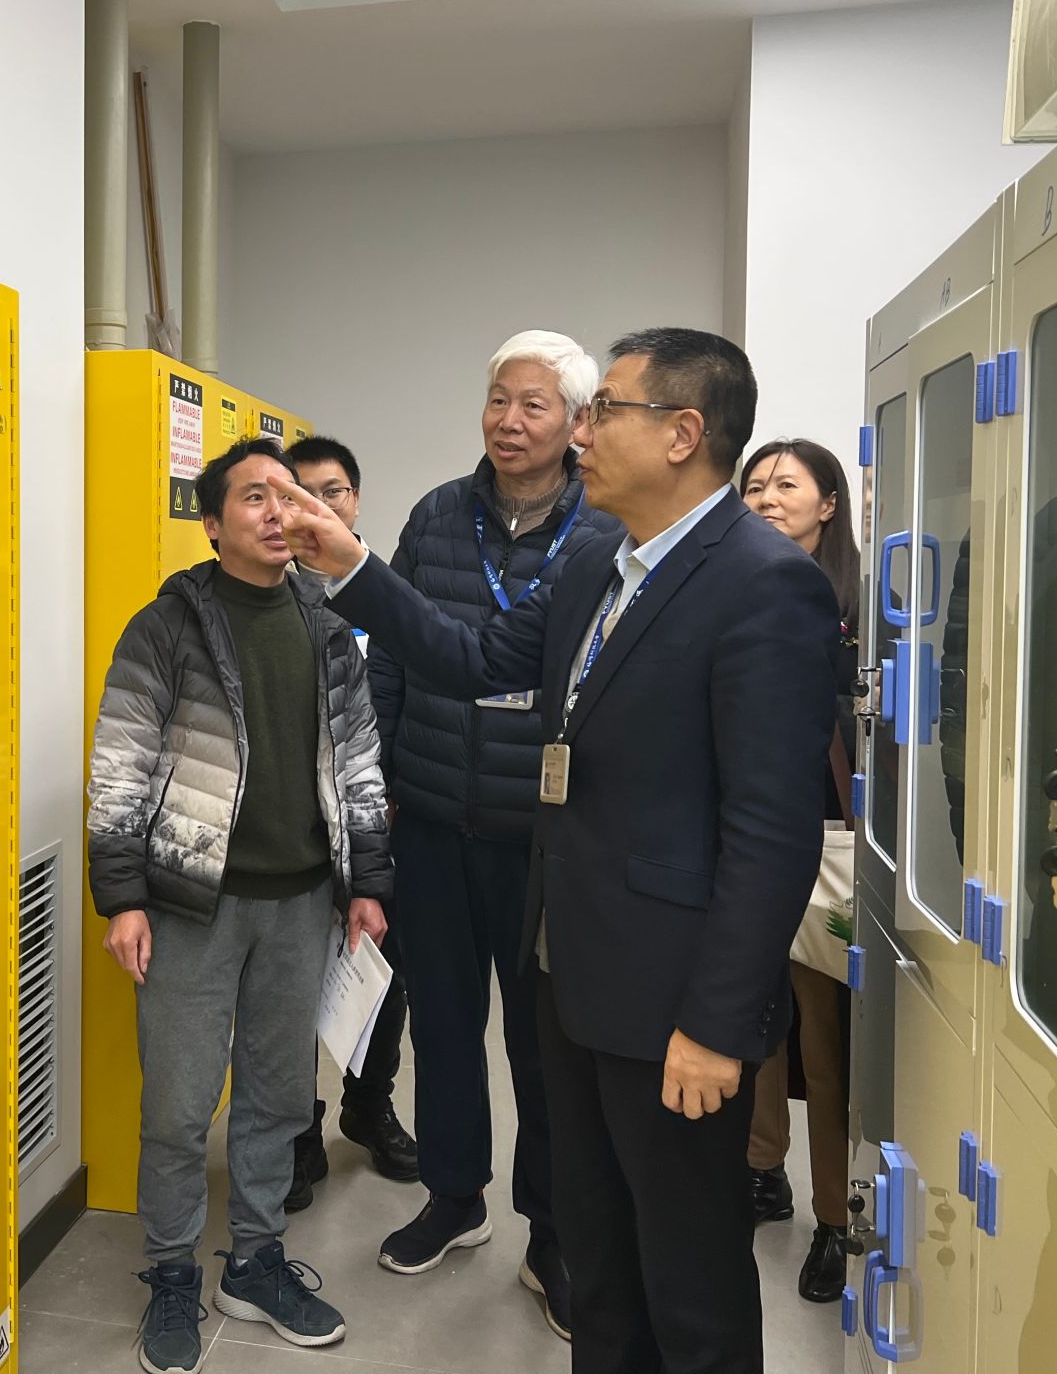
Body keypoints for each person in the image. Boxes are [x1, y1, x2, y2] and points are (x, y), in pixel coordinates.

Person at [273, 328, 836, 1374]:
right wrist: (350, 564)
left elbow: (771, 831)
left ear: (682, 433)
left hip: (675, 1006)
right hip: (572, 975)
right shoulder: (596, 567)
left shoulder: (762, 584)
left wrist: (717, 1025)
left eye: (603, 410)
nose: (581, 433)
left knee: (690, 1283)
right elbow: (472, 655)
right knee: (602, 1259)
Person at [88, 437, 394, 1374]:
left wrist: (368, 883)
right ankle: (172, 1270)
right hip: (190, 904)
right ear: (212, 522)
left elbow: (360, 761)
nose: (277, 511)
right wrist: (122, 898)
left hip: (301, 904)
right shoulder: (166, 627)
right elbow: (120, 767)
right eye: (254, 496)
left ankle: (256, 1263)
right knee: (180, 1108)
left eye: (289, 496)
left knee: (276, 1099)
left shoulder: (327, 626)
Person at [346, 333, 613, 1339]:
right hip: (431, 818)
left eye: (533, 404)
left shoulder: (602, 534)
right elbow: (391, 653)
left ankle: (551, 1234)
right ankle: (454, 1197)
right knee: (445, 1025)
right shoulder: (434, 516)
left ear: (576, 424)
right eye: (498, 399)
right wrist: (378, 776)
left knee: (543, 1044)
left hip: (542, 836)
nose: (508, 420)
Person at [738, 438, 860, 1304]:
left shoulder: (864, 609)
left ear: (828, 504)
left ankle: (835, 1218)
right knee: (753, 1023)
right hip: (745, 841)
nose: (767, 498)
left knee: (825, 1043)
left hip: (828, 845)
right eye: (754, 486)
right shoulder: (731, 595)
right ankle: (761, 1170)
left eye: (786, 484)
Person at [284, 435, 418, 1205]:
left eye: (330, 490)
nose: (316, 505)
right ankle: (298, 1128)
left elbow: (414, 698)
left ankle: (369, 1107)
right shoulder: (268, 590)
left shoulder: (386, 593)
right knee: (291, 981)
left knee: (381, 973)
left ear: (355, 500)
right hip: (296, 830)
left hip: (378, 820)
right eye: (298, 492)